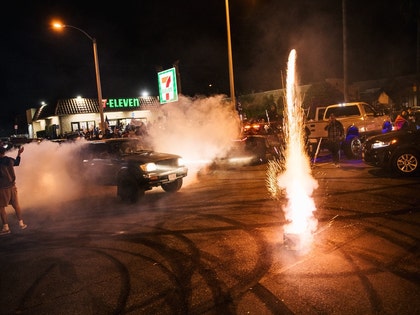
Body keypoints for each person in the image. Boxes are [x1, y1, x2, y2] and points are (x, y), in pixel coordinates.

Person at [0, 145, 27, 235]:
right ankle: (21, 223)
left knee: (1, 207)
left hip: (2, 188)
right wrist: (19, 154)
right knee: (16, 205)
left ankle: (6, 228)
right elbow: (17, 162)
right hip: (12, 186)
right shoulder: (9, 160)